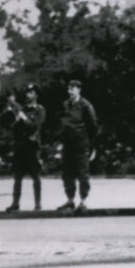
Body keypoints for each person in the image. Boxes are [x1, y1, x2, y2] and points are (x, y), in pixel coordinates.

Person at [57, 79, 97, 213]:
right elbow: (61, 123)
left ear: (79, 90)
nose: (70, 91)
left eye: (73, 89)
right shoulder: (65, 104)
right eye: (69, 89)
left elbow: (93, 126)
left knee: (82, 174)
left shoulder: (86, 105)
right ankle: (70, 200)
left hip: (81, 144)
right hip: (67, 145)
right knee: (67, 174)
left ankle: (83, 202)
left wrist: (92, 146)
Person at [5, 85, 46, 212]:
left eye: (31, 93)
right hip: (21, 146)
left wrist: (23, 118)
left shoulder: (39, 109)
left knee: (36, 175)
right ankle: (15, 203)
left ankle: (38, 203)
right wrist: (16, 120)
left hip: (33, 146)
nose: (28, 95)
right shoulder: (21, 109)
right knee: (17, 176)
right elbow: (13, 128)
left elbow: (35, 126)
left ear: (36, 95)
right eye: (27, 92)